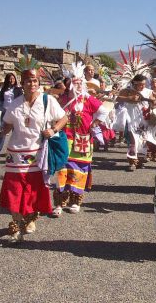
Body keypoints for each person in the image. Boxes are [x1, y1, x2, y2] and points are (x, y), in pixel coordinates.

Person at [0, 60, 67, 242]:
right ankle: (16, 221)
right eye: (28, 80)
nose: (32, 83)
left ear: (39, 82)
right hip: (15, 154)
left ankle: (30, 219)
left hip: (38, 154)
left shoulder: (48, 100)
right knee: (14, 190)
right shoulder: (14, 104)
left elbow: (63, 118)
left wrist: (53, 130)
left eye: (35, 80)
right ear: (22, 83)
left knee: (33, 190)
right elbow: (7, 125)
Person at [52, 62, 107, 217]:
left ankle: (75, 201)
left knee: (79, 171)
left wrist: (94, 124)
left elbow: (103, 111)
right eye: (73, 83)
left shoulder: (88, 99)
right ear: (69, 84)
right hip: (64, 139)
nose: (76, 86)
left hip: (83, 140)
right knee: (62, 170)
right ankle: (59, 203)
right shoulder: (62, 99)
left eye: (79, 83)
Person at [116, 74, 156, 171]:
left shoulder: (148, 92)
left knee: (142, 141)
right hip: (131, 119)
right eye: (140, 85)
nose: (143, 86)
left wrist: (153, 102)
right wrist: (129, 99)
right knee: (133, 141)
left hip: (144, 120)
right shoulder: (128, 91)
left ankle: (140, 161)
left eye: (144, 84)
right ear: (135, 83)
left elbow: (153, 102)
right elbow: (118, 98)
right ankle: (132, 162)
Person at [0, 73, 23, 156]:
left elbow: (21, 100)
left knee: (16, 131)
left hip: (15, 112)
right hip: (5, 111)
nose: (11, 80)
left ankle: (17, 150)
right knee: (2, 131)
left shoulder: (18, 89)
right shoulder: (4, 89)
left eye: (13, 78)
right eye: (10, 78)